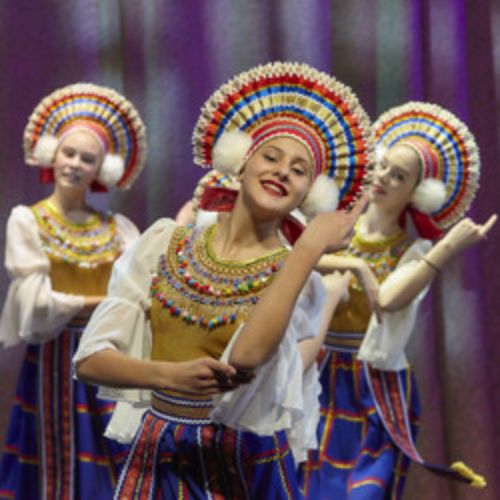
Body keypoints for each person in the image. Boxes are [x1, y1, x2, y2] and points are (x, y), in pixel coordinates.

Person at [72, 61, 373, 499]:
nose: (282, 171)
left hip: (244, 468)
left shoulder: (295, 276)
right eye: (271, 156)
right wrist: (166, 375)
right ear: (240, 163)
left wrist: (308, 248)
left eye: (299, 170)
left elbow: (245, 358)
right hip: (160, 453)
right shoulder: (165, 243)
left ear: (308, 193)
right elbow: (89, 361)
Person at [300, 101, 495, 499]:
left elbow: (387, 299)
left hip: (373, 385)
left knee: (363, 490)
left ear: (417, 194)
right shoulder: (336, 225)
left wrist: (448, 247)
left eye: (399, 175)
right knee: (306, 483)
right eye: (383, 165)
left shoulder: (414, 251)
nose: (384, 177)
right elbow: (298, 257)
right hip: (318, 372)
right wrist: (357, 265)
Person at [0, 83, 147, 499]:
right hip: (56, 354)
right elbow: (36, 306)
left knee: (114, 446)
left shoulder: (118, 229)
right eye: (69, 153)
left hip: (111, 353)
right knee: (56, 449)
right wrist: (106, 303)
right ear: (53, 154)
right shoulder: (28, 221)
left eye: (87, 158)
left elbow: (141, 292)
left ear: (102, 169)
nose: (75, 164)